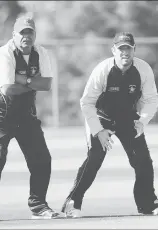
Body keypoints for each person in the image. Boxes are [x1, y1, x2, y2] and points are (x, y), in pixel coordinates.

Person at [61, 32, 158, 218]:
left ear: (134, 50)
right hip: (101, 117)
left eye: (128, 48)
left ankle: (148, 204)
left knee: (143, 161)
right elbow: (86, 102)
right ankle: (72, 203)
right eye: (121, 49)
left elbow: (152, 99)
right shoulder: (103, 70)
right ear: (113, 50)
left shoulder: (143, 69)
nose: (125, 53)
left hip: (129, 118)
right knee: (95, 158)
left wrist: (142, 121)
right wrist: (99, 130)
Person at [0, 15, 64, 222]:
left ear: (35, 35)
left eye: (30, 33)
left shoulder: (41, 53)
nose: (26, 37)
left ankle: (38, 205)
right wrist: (32, 82)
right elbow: (8, 89)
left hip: (26, 115)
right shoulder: (4, 54)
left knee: (42, 159)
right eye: (22, 33)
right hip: (0, 116)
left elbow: (47, 85)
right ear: (14, 35)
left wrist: (24, 79)